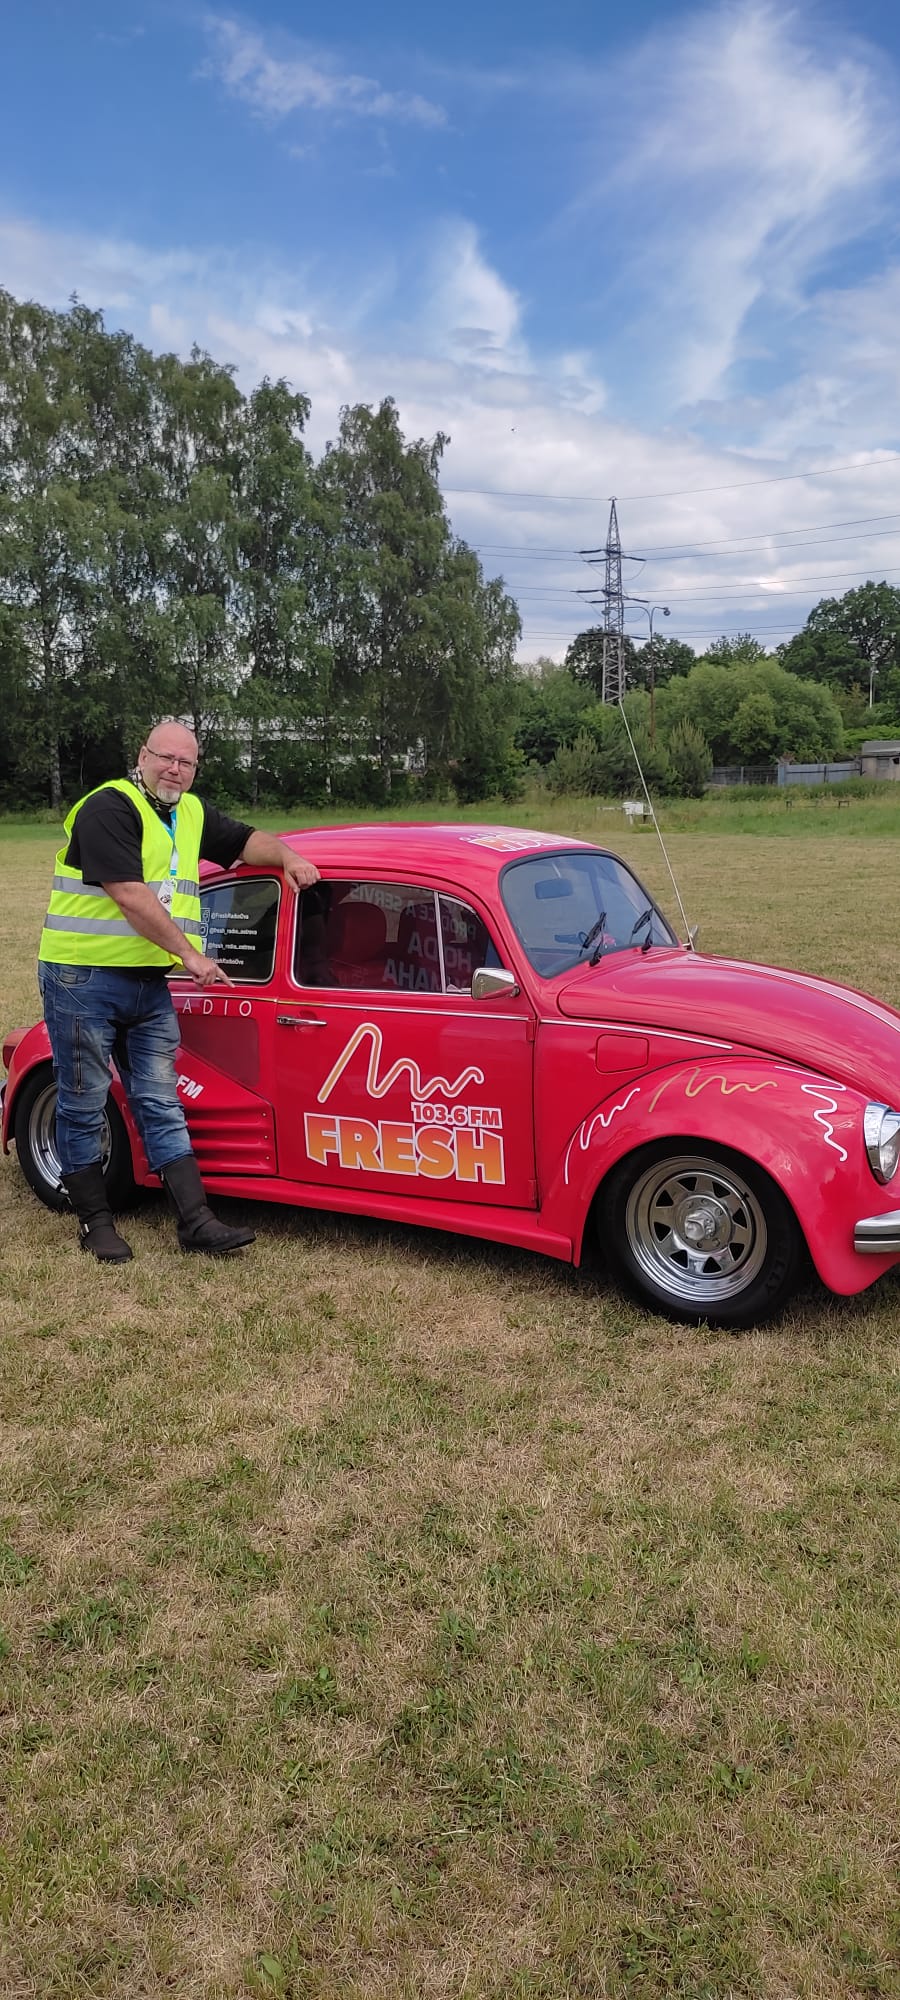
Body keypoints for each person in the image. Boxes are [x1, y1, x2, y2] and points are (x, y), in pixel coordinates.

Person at [37, 720, 319, 1263]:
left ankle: (195, 1221)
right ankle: (96, 1223)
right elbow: (129, 895)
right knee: (84, 1097)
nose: (174, 769)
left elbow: (244, 841)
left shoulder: (188, 811)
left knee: (160, 1098)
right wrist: (191, 956)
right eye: (165, 757)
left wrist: (286, 857)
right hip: (82, 977)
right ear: (142, 756)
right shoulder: (107, 807)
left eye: (185, 762)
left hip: (147, 980)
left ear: (195, 769)